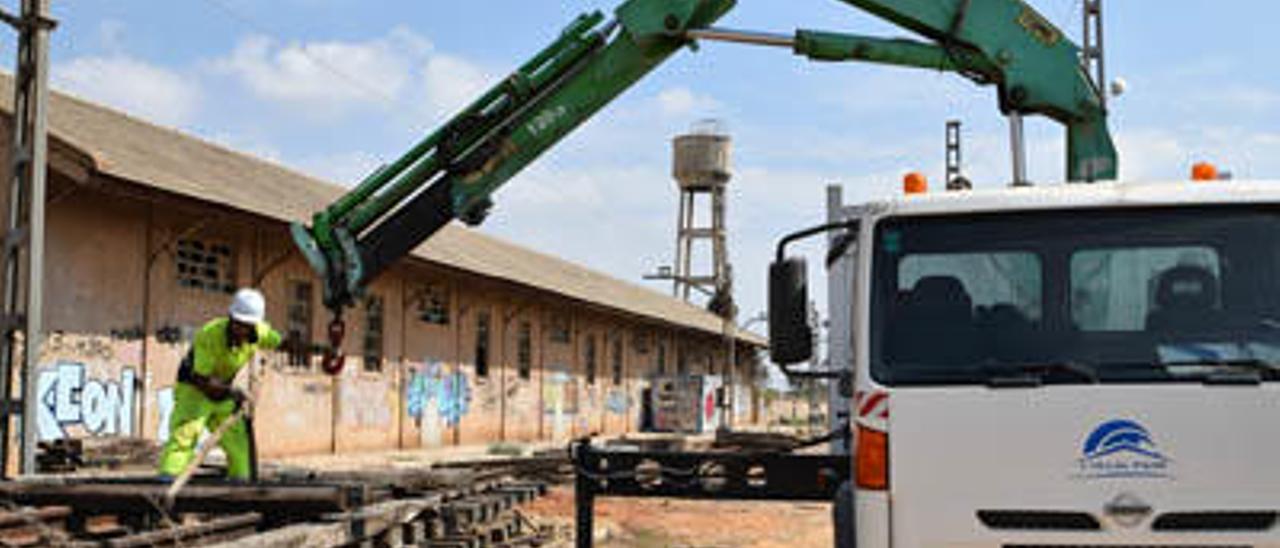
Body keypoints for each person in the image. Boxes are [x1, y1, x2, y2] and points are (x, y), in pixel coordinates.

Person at [157, 288, 281, 481]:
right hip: (194, 388)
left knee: (238, 440)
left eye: (247, 326)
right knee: (186, 434)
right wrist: (233, 392)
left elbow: (283, 342)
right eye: (238, 324)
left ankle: (239, 484)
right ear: (231, 318)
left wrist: (325, 350)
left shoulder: (259, 332)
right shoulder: (209, 334)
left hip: (222, 389)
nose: (242, 330)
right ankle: (166, 483)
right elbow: (201, 379)